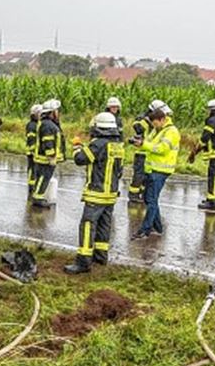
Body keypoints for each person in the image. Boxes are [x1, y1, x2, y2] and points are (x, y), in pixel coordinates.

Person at [67, 112, 124, 274]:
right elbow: (119, 170)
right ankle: (100, 257)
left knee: (87, 225)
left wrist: (77, 146)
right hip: (111, 194)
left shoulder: (98, 144)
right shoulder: (118, 145)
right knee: (104, 225)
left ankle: (83, 262)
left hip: (96, 194)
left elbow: (80, 159)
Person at [132, 103, 180, 239]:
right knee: (149, 199)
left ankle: (145, 229)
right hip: (152, 169)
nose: (154, 126)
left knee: (151, 200)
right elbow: (149, 144)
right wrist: (139, 144)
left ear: (162, 119)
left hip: (161, 170)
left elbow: (161, 149)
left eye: (155, 123)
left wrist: (144, 145)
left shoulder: (171, 131)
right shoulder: (157, 130)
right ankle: (157, 227)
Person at [31, 99, 65, 208]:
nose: (58, 113)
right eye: (56, 111)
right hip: (45, 159)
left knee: (43, 177)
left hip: (45, 158)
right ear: (51, 112)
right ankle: (38, 198)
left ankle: (38, 195)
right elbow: (48, 142)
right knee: (43, 177)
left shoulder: (49, 124)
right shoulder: (48, 125)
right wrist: (51, 156)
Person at [126, 101, 159, 203]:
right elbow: (138, 128)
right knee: (139, 175)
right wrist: (146, 120)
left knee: (146, 176)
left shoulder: (156, 121)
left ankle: (142, 194)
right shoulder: (143, 119)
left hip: (150, 152)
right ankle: (133, 194)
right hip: (141, 152)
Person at [25, 103, 42, 197]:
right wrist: (33, 151)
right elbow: (31, 140)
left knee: (35, 170)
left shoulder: (37, 124)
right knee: (32, 170)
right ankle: (31, 188)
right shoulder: (32, 125)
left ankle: (33, 186)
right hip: (32, 153)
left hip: (35, 152)